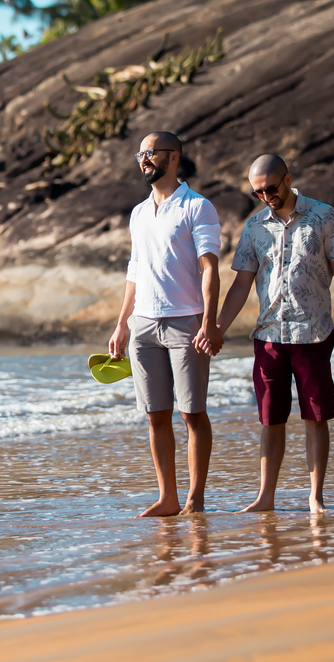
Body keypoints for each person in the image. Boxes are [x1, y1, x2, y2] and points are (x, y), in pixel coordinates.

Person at [216, 154, 334, 514]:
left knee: (315, 416)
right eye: (258, 192)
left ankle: (315, 497)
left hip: (313, 331)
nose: (266, 196)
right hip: (268, 335)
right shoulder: (254, 227)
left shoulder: (323, 215)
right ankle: (265, 497)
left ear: (288, 179)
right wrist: (218, 328)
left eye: (271, 188)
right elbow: (241, 283)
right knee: (271, 419)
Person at [108, 132, 223, 517]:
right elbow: (135, 270)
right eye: (140, 154)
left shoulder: (197, 207)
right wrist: (122, 323)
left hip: (185, 324)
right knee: (155, 415)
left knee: (192, 413)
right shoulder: (139, 212)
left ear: (173, 157)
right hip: (143, 325)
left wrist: (209, 322)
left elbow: (210, 268)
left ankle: (195, 498)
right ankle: (167, 497)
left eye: (150, 153)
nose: (143, 159)